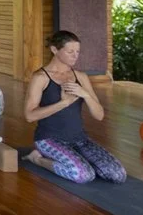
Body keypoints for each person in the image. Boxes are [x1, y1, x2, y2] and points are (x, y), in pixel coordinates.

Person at [23, 30, 127, 184]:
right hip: (49, 139)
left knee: (118, 175)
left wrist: (85, 94)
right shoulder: (41, 77)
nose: (75, 56)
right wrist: (64, 103)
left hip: (80, 139)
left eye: (77, 51)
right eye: (70, 51)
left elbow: (99, 115)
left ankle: (82, 161)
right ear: (54, 50)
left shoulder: (81, 77)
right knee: (84, 176)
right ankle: (37, 159)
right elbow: (29, 116)